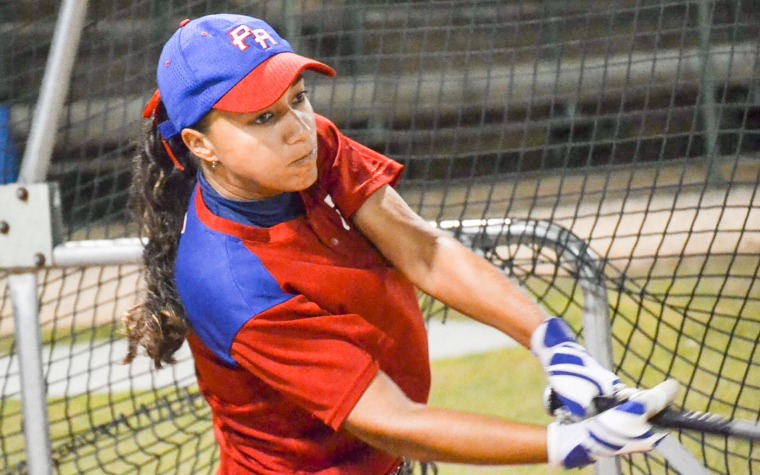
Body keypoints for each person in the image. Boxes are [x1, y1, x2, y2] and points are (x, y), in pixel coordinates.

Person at [123, 13, 675, 475]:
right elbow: (398, 422)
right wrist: (569, 444)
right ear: (200, 144)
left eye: (299, 98)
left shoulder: (310, 152)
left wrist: (553, 343)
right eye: (263, 117)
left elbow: (424, 251)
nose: (297, 127)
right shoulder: (229, 281)